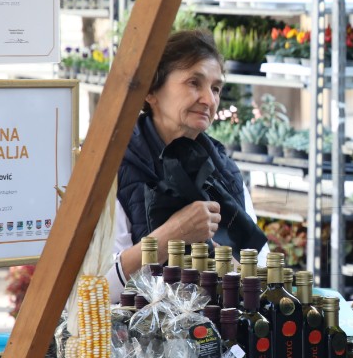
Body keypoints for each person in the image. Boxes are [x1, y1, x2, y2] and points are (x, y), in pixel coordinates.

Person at [107, 29, 268, 300]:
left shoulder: (225, 173)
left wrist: (235, 270)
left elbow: (261, 267)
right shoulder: (116, 170)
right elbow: (100, 290)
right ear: (150, 91)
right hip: (140, 338)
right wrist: (172, 234)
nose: (210, 100)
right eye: (194, 83)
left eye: (216, 88)